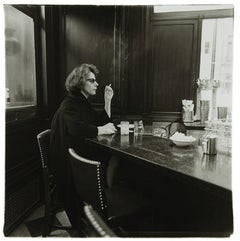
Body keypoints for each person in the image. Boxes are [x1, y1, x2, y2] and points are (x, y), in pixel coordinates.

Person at [49, 63, 117, 231]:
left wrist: (107, 101)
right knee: (109, 159)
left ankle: (101, 208)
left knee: (109, 158)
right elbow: (76, 128)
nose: (96, 84)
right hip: (66, 161)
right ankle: (103, 211)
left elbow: (98, 121)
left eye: (96, 80)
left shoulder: (82, 102)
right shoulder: (70, 103)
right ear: (80, 82)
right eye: (91, 80)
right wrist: (102, 129)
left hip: (74, 154)